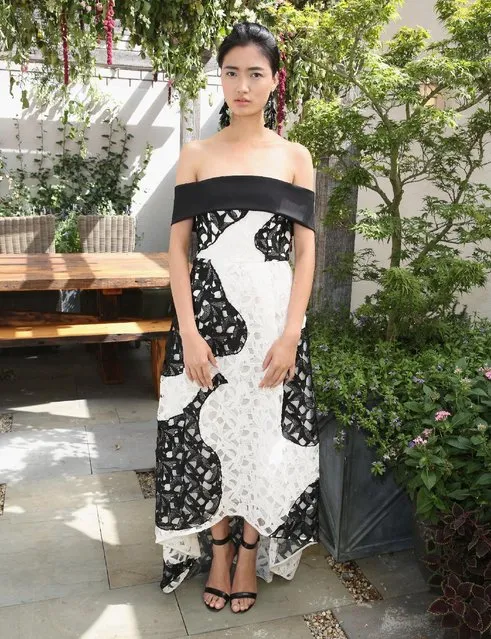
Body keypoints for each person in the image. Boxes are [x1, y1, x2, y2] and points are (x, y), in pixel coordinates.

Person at [155, 21, 319, 615]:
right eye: (231, 72)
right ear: (219, 78)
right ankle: (218, 549)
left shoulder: (294, 156)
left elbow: (305, 250)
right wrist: (189, 334)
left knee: (260, 440)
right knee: (208, 438)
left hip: (273, 329)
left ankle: (250, 550)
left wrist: (292, 333)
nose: (242, 85)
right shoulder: (196, 156)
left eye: (255, 74)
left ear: (274, 82)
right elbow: (179, 249)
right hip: (207, 331)